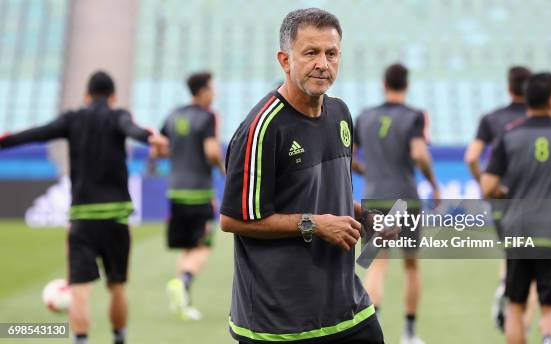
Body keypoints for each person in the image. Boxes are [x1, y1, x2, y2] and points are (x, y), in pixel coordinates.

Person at [219, 8, 383, 344]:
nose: (323, 63)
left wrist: (364, 216)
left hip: (347, 310)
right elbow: (234, 220)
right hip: (279, 323)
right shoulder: (261, 129)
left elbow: (325, 193)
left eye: (331, 53)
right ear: (285, 59)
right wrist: (316, 224)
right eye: (311, 53)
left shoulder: (340, 112)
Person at [0, 71, 168, 344]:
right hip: (116, 218)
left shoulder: (72, 119)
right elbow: (133, 129)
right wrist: (151, 138)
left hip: (83, 219)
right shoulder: (118, 115)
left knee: (79, 291)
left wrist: (3, 140)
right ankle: (119, 338)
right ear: (112, 97)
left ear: (86, 96)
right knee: (116, 287)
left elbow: (36, 133)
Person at [481, 72, 551, 344]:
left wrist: (505, 194)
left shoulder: (509, 137)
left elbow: (487, 187)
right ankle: (549, 339)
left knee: (516, 305)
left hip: (517, 228)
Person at [354, 63, 439, 344]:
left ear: (383, 84)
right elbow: (420, 154)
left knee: (378, 265)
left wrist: (369, 173)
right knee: (411, 266)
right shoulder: (414, 116)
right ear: (407, 84)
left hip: (374, 197)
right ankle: (409, 334)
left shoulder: (365, 116)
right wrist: (434, 183)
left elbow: (348, 156)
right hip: (405, 199)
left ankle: (369, 332)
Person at [464, 66, 535, 332]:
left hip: (501, 202)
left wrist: (485, 182)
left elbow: (471, 156)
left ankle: (505, 287)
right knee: (536, 268)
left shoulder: (492, 119)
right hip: (533, 201)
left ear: (509, 88)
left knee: (511, 254)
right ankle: (523, 328)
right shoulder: (538, 121)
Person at [152, 71, 225, 320]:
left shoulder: (174, 114)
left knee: (187, 247)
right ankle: (182, 283)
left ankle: (183, 302)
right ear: (203, 91)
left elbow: (159, 147)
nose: (214, 93)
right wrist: (225, 169)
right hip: (199, 192)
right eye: (212, 88)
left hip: (175, 191)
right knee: (203, 247)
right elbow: (211, 151)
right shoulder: (209, 117)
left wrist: (176, 152)